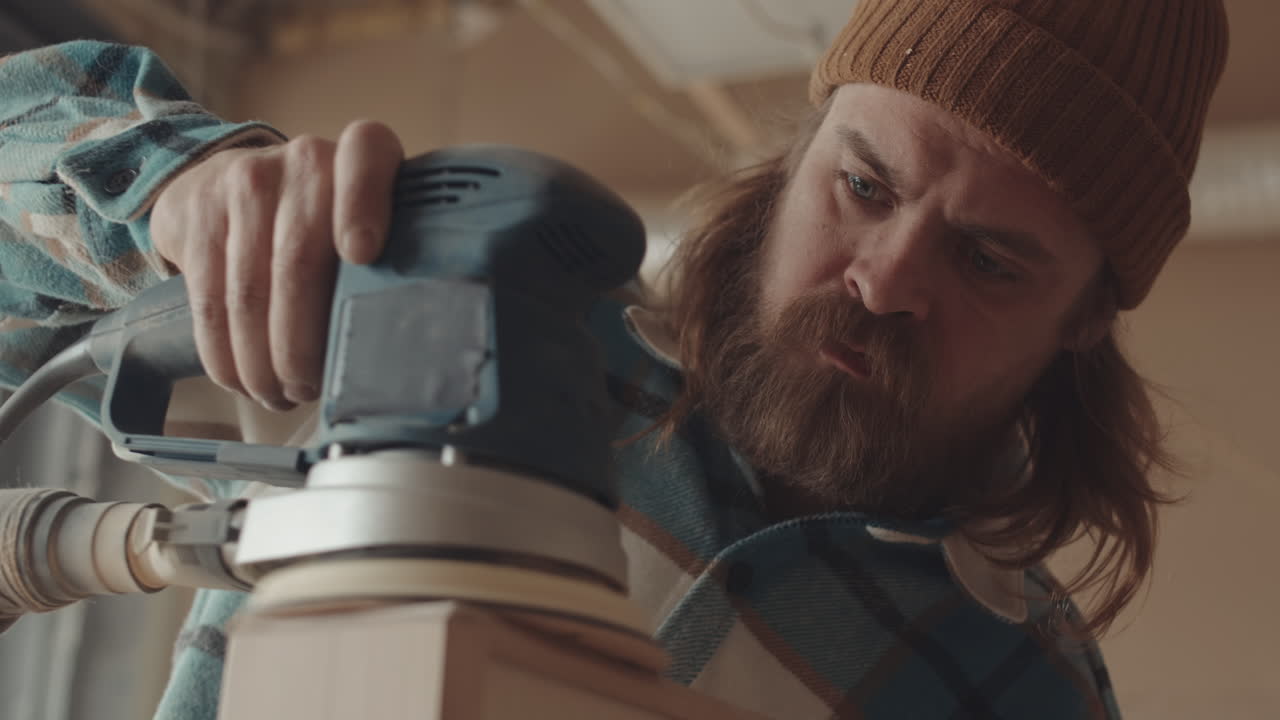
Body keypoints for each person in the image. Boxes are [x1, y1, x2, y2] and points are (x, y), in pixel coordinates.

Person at [0, 0, 1228, 718]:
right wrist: (178, 188)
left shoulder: (1018, 688)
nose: (883, 279)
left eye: (989, 262)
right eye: (861, 184)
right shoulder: (448, 304)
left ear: (1081, 320)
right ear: (800, 152)